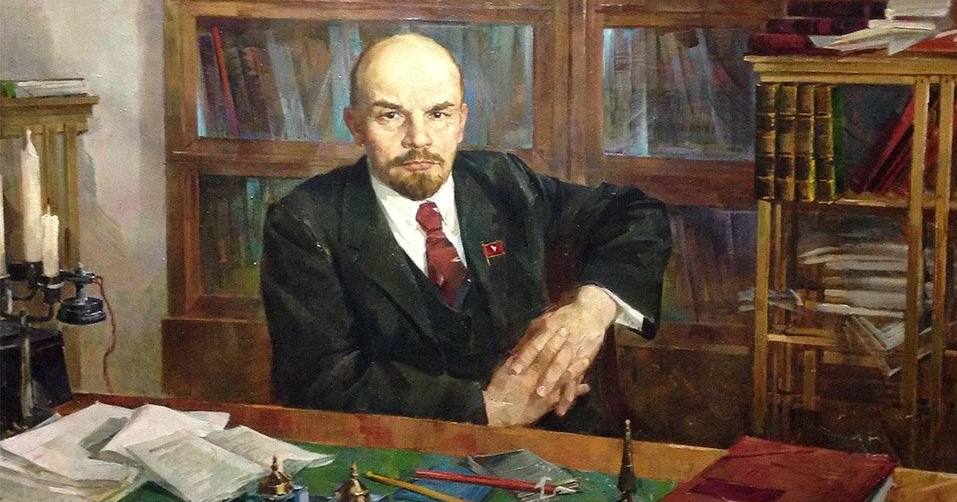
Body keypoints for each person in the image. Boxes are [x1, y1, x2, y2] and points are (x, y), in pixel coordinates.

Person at [261, 33, 670, 432]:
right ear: (355, 125)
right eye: (390, 116)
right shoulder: (305, 220)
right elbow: (317, 380)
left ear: (461, 121)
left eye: (438, 114)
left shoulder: (504, 181)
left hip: (555, 432)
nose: (418, 139)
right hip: (404, 448)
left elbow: (635, 213)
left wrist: (593, 309)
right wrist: (485, 409)